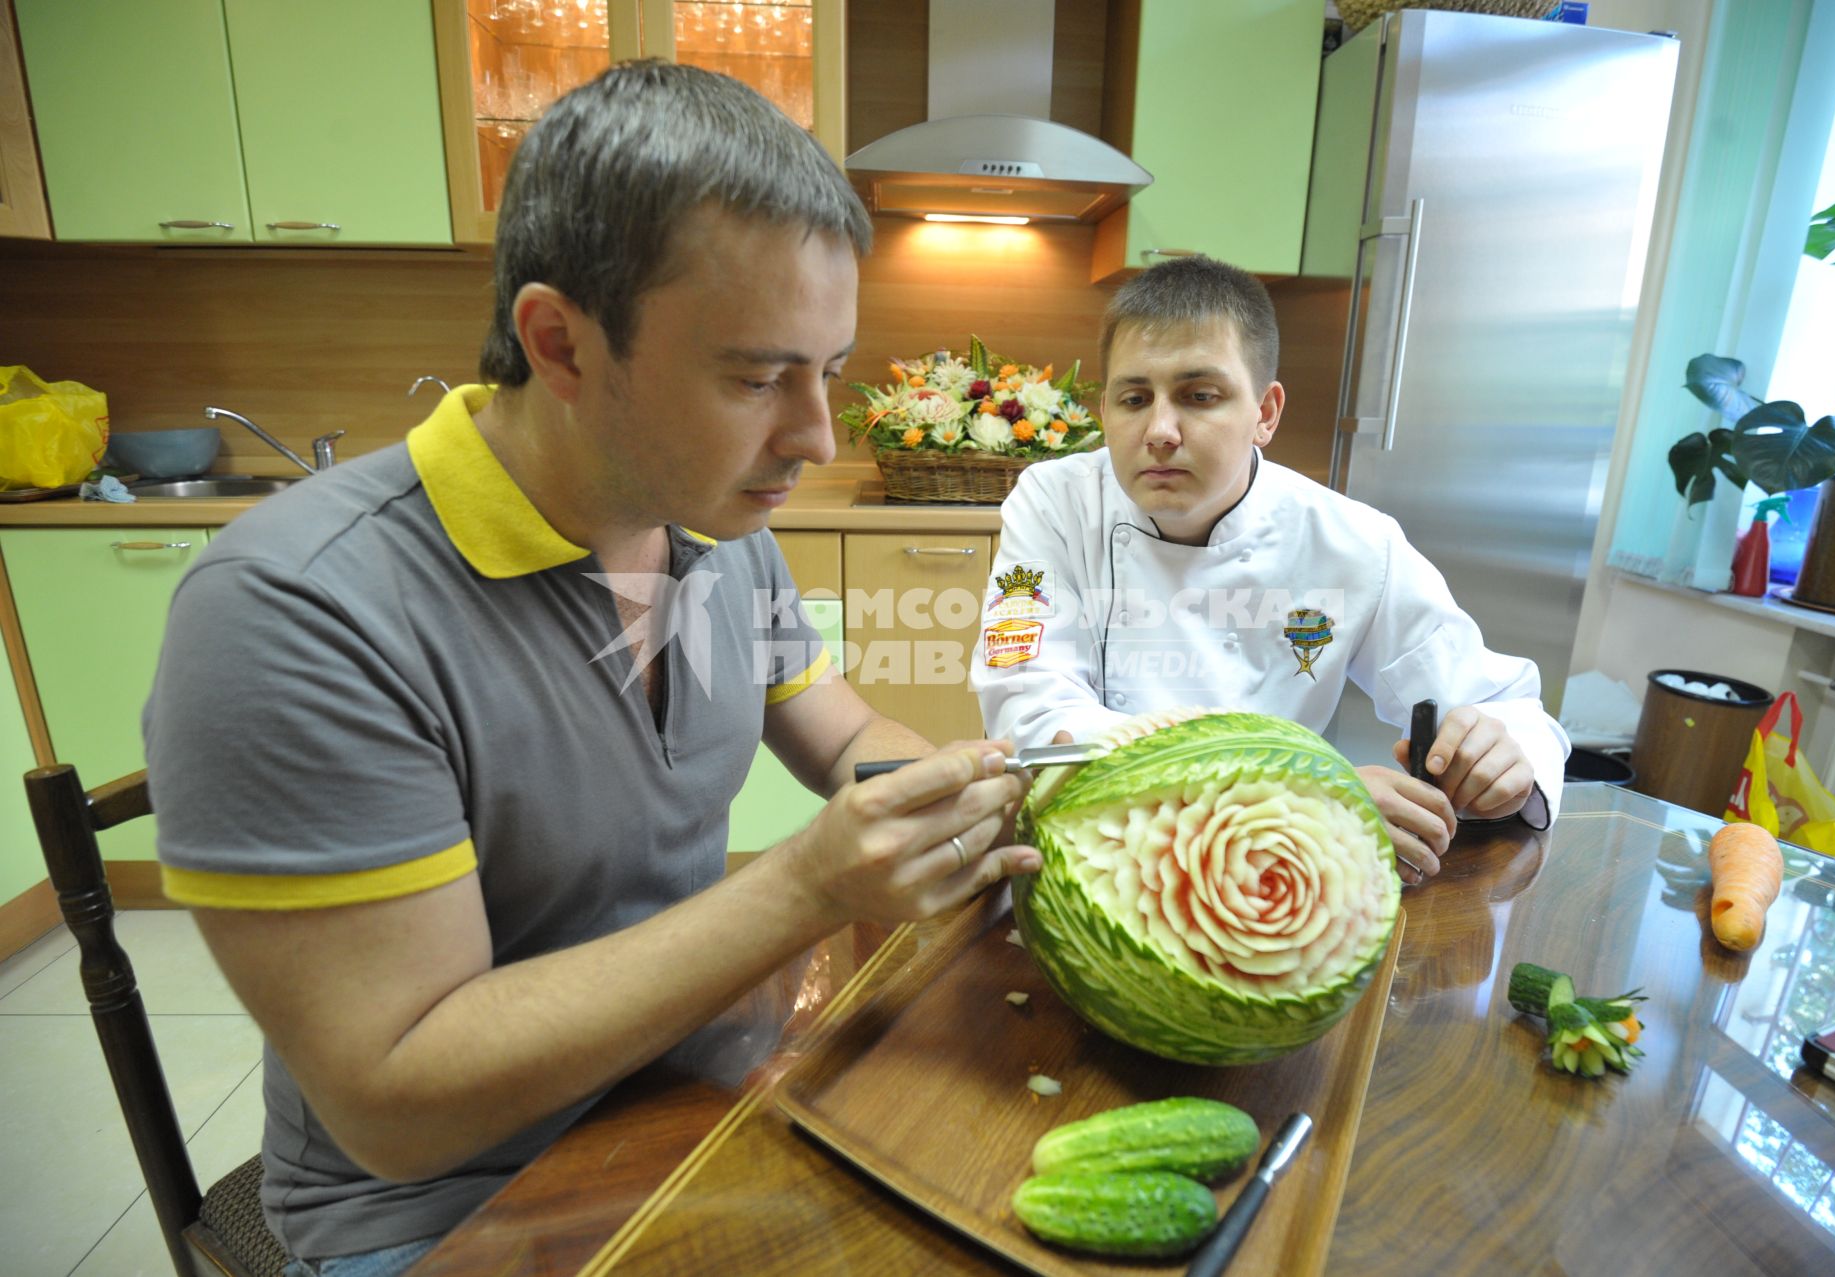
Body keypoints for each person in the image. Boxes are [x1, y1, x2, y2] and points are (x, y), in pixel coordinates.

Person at [143, 62, 1038, 1276]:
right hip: (447, 1209)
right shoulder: (298, 612)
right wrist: (807, 887)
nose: (814, 437)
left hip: (693, 1083)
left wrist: (977, 795)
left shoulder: (717, 534)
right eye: (756, 376)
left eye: (828, 371)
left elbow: (837, 727)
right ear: (560, 343)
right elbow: (400, 1098)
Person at [973, 255, 1567, 882]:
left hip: (1271, 877)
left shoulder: (1353, 543)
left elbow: (1507, 707)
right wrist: (1298, 793)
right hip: (1097, 857)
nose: (1160, 431)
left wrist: (1502, 758)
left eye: (1199, 396)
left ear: (1266, 413)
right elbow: (1034, 720)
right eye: (1134, 398)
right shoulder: (1054, 503)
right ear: (1104, 410)